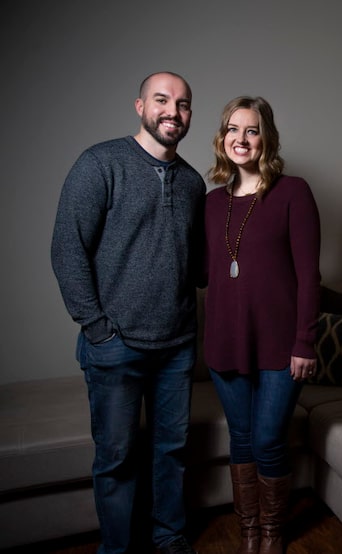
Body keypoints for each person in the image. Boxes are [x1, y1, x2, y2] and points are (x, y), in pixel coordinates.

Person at [51, 72, 205, 554]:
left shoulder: (194, 182)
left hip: (177, 345)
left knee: (172, 453)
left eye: (182, 105)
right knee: (117, 458)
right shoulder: (99, 163)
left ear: (189, 116)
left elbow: (198, 266)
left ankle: (169, 538)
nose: (172, 112)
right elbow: (67, 249)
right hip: (115, 345)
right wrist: (96, 328)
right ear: (140, 105)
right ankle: (117, 549)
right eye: (162, 100)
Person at [203, 96, 321, 554]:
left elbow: (310, 275)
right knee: (242, 438)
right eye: (233, 129)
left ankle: (273, 531)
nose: (241, 139)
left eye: (251, 130)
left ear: (266, 137)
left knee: (270, 440)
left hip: (280, 345)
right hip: (224, 343)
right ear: (222, 138)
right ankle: (248, 529)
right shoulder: (212, 204)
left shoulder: (294, 192)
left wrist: (305, 342)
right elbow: (203, 271)